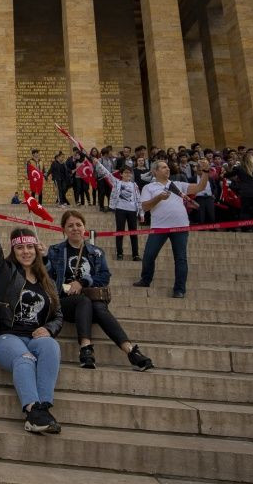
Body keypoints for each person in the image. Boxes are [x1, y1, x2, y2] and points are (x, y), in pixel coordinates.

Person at [0, 193, 63, 434]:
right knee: (25, 359)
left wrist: (49, 329)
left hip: (35, 337)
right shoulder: (5, 272)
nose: (26, 252)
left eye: (30, 247)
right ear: (14, 250)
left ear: (36, 249)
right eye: (20, 247)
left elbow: (58, 316)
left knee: (51, 346)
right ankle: (33, 410)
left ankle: (42, 408)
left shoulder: (46, 281)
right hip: (6, 337)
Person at [46, 209, 154, 371]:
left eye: (78, 224)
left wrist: (82, 282)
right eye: (70, 226)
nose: (75, 228)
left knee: (96, 305)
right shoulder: (55, 251)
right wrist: (44, 260)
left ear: (84, 228)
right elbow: (47, 277)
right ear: (63, 230)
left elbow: (104, 276)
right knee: (84, 301)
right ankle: (85, 347)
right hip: (65, 302)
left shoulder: (96, 252)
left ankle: (130, 351)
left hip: (91, 301)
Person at [134, 159, 211, 298]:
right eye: (163, 167)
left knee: (180, 258)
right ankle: (145, 280)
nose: (168, 169)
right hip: (159, 227)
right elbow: (145, 207)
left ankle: (179, 289)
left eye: (168, 167)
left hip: (180, 226)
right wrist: (158, 198)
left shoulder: (178, 184)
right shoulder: (149, 188)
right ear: (155, 171)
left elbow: (200, 187)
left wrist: (205, 172)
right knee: (149, 255)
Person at [110, 167, 143, 260]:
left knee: (133, 233)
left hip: (132, 210)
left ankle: (135, 254)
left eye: (129, 173)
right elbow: (107, 174)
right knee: (120, 231)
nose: (128, 174)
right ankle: (119, 253)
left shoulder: (134, 185)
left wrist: (141, 213)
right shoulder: (117, 183)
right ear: (121, 174)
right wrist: (98, 163)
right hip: (120, 209)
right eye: (125, 172)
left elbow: (139, 198)